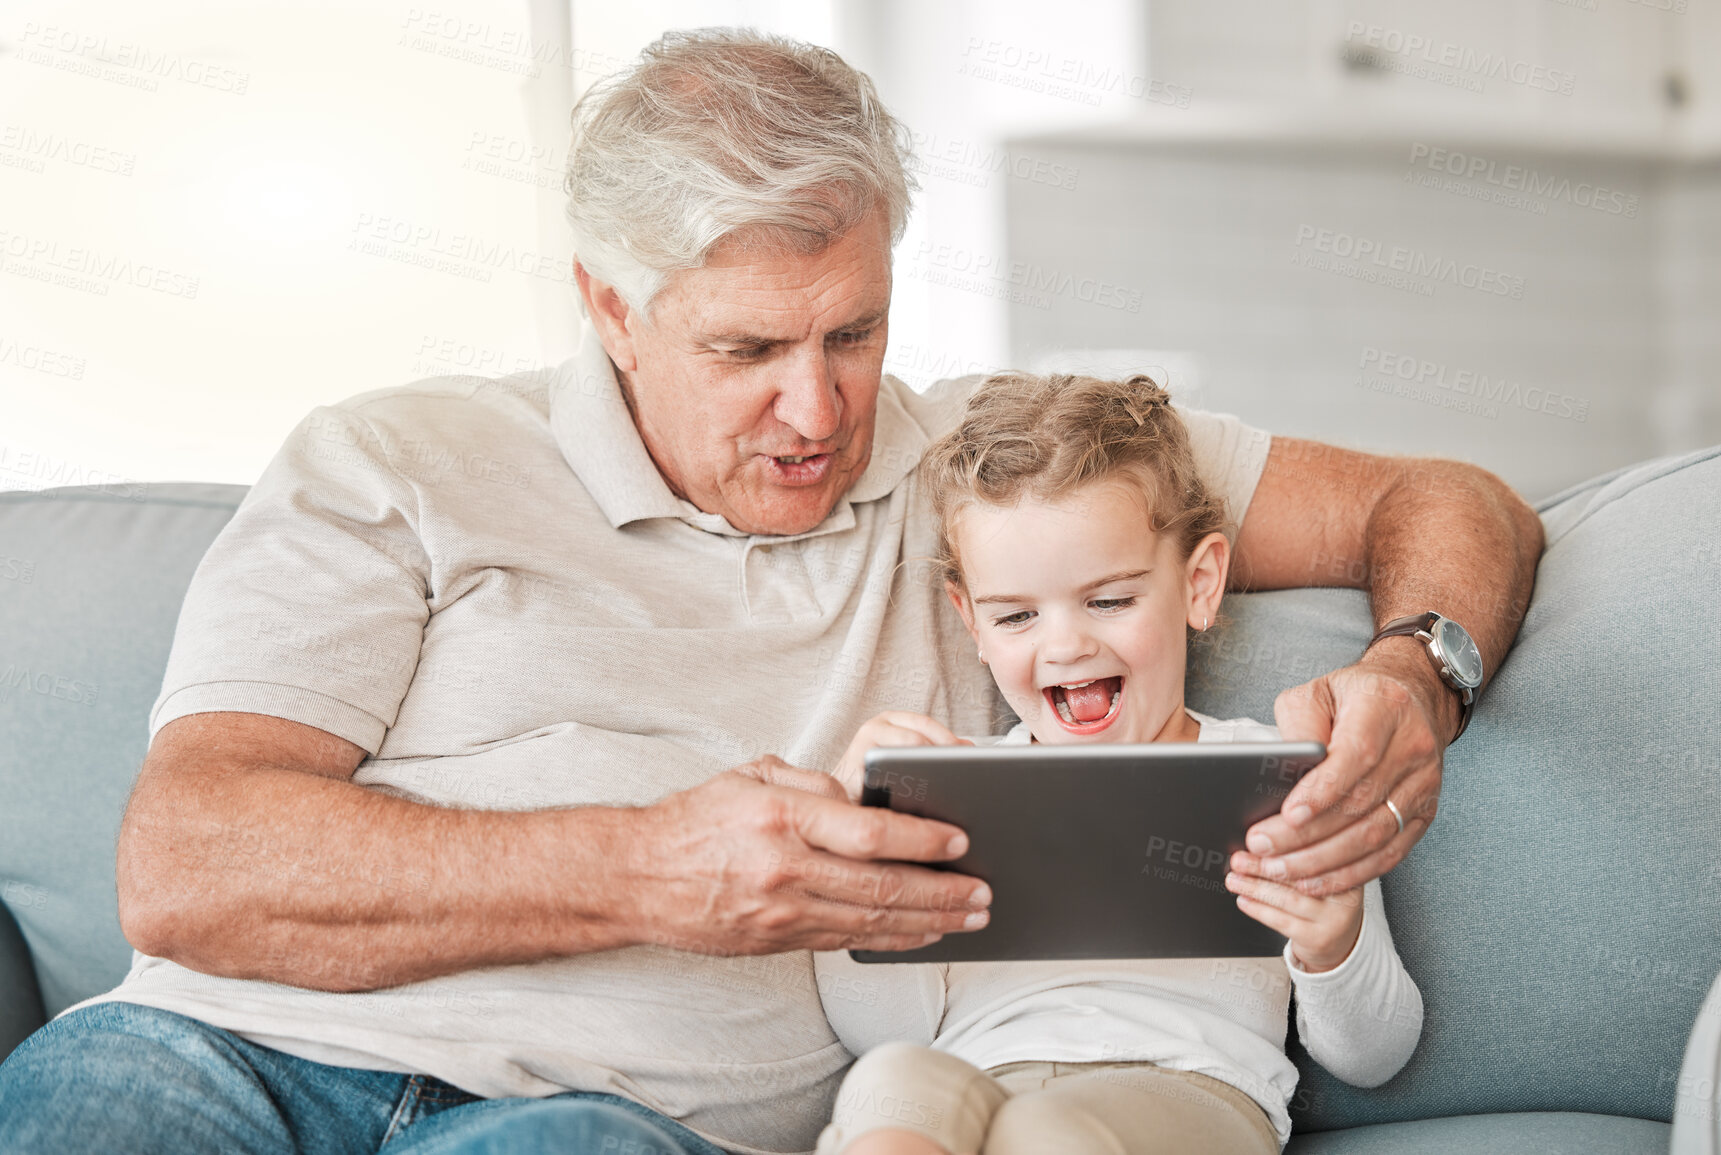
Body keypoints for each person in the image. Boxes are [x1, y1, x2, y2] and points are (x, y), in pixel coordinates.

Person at [0, 28, 1537, 1155]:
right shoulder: (393, 458)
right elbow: (187, 861)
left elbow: (1448, 499)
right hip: (223, 1055)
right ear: (608, 303)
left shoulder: (1003, 474)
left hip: (588, 1126)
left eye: (852, 334)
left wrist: (1419, 671)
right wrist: (641, 867)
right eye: (744, 351)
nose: (816, 413)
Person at [813, 372, 1423, 1155]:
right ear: (972, 621)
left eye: (1108, 600)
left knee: (1045, 1130)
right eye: (1017, 615)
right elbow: (882, 1030)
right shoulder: (951, 791)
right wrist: (854, 855)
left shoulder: (1280, 780)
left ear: (1198, 584)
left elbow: (1375, 1055)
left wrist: (1332, 940)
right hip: (980, 1071)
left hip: (1192, 1091)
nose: (1065, 645)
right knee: (891, 1081)